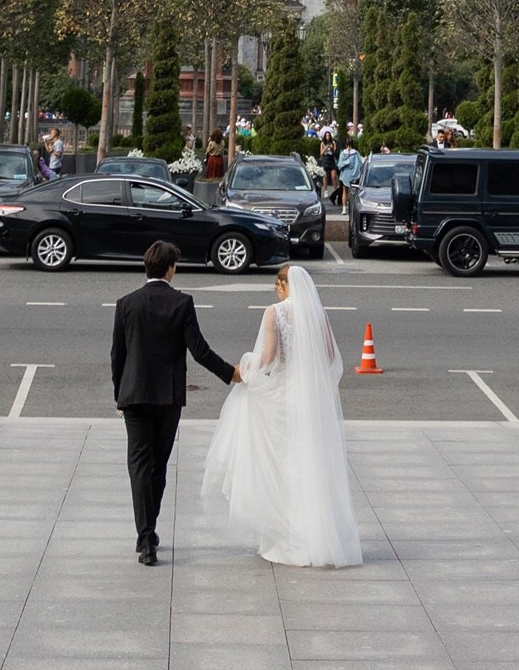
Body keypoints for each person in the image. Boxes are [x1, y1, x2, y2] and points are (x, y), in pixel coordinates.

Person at [203, 262, 362, 566]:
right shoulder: (318, 313)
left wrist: (246, 369)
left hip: (284, 396)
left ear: (281, 285)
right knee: (311, 462)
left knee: (284, 464)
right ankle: (318, 535)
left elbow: (269, 356)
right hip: (310, 398)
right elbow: (329, 355)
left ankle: (288, 536)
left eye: (276, 286)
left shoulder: (275, 313)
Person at [108, 238, 241, 566]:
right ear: (170, 269)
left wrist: (119, 395)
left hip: (134, 396)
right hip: (168, 398)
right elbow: (200, 351)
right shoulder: (182, 303)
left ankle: (145, 539)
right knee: (158, 465)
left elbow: (117, 356)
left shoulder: (126, 304)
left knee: (138, 465)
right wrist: (231, 374)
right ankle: (150, 530)